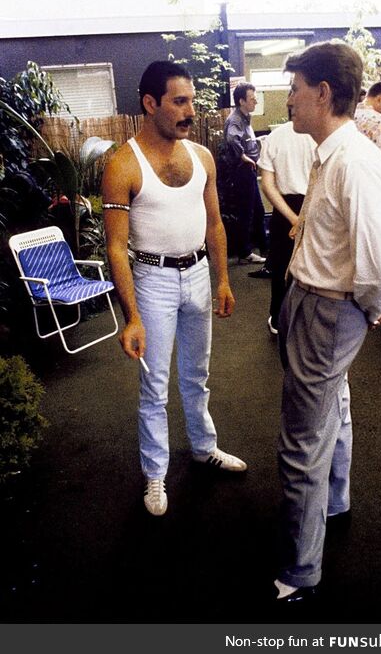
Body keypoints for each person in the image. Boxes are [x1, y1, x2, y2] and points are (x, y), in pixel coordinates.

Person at [273, 42, 381, 606]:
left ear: (323, 93)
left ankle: (300, 573)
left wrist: (366, 309)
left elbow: (380, 266)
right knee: (336, 408)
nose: (289, 101)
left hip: (328, 310)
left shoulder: (353, 159)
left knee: (301, 441)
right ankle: (335, 502)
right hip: (313, 301)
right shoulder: (333, 151)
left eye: (296, 90)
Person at [102, 60, 247, 517]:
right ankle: (156, 474)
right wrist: (133, 316)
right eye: (179, 101)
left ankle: (204, 448)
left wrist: (222, 278)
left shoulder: (201, 156)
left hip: (199, 275)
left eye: (191, 100)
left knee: (196, 375)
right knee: (155, 386)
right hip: (152, 280)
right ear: (151, 103)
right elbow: (115, 246)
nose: (190, 110)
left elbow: (215, 223)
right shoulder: (123, 164)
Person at [256, 119, 316, 334]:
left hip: (283, 210)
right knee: (313, 265)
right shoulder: (319, 135)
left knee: (281, 265)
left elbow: (267, 185)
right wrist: (302, 217)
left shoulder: (275, 137)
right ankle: (307, 319)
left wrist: (292, 218)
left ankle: (278, 317)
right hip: (314, 205)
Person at [223, 82, 267, 264]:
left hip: (248, 171)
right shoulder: (235, 119)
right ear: (241, 101)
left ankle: (264, 247)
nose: (255, 101)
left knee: (258, 210)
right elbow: (232, 139)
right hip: (242, 172)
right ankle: (245, 252)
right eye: (252, 98)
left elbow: (244, 139)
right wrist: (244, 157)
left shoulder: (245, 118)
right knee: (247, 212)